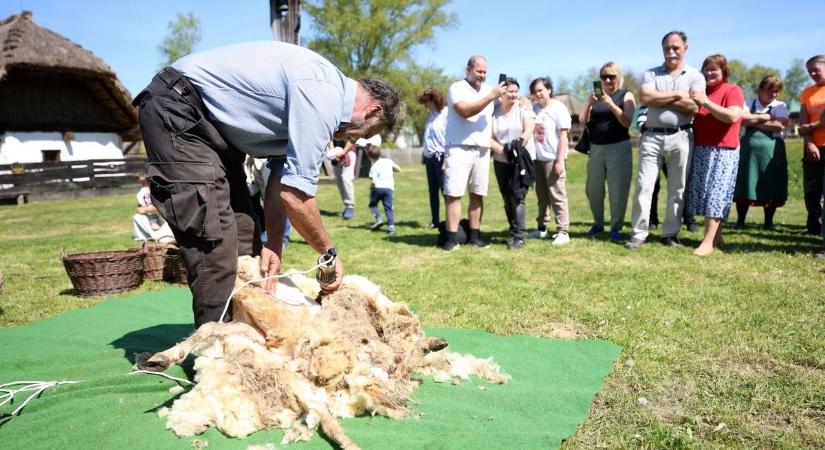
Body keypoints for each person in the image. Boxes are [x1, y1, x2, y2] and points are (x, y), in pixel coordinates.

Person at [133, 41, 400, 327]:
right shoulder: (323, 95)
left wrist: (274, 243)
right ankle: (219, 348)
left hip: (211, 129)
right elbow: (296, 195)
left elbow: (281, 178)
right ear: (372, 110)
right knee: (214, 239)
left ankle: (247, 329)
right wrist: (328, 253)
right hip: (180, 109)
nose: (357, 140)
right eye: (368, 132)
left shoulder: (324, 93)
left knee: (247, 235)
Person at [626, 31, 705, 250]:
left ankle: (670, 234)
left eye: (675, 47)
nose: (671, 52)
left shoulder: (696, 76)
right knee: (644, 186)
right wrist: (680, 95)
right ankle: (639, 233)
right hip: (651, 136)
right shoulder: (650, 73)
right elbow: (646, 98)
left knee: (677, 188)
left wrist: (662, 99)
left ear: (685, 48)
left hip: (682, 136)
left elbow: (695, 108)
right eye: (667, 48)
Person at [441, 55, 506, 251]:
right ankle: (452, 238)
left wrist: (523, 103)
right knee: (454, 194)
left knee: (478, 193)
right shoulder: (457, 88)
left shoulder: (490, 91)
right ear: (468, 70)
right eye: (479, 71)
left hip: (482, 149)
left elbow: (505, 109)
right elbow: (464, 111)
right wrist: (491, 97)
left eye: (485, 72)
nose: (483, 75)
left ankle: (475, 236)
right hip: (459, 147)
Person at [686, 54, 744, 256]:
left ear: (723, 72)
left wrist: (706, 103)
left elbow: (734, 116)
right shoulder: (699, 92)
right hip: (702, 149)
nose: (709, 73)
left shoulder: (732, 90)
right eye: (706, 69)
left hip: (724, 150)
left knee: (716, 195)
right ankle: (717, 236)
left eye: (714, 69)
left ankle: (707, 242)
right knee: (705, 193)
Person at [579, 62, 636, 242]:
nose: (608, 80)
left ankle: (616, 227)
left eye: (612, 76)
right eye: (604, 76)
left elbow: (627, 122)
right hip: (596, 148)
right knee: (593, 189)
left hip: (618, 147)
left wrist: (611, 104)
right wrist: (589, 104)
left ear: (618, 77)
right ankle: (598, 223)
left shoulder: (626, 95)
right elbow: (582, 120)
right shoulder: (595, 97)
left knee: (617, 190)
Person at [733, 75, 789, 230]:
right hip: (747, 152)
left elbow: (779, 125)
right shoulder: (748, 103)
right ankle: (740, 221)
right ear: (760, 90)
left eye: (776, 91)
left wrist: (754, 122)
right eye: (770, 91)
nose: (774, 94)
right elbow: (741, 119)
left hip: (772, 152)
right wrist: (766, 117)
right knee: (745, 183)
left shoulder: (780, 106)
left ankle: (768, 222)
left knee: (770, 184)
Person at [491, 78, 535, 250]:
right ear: (502, 92)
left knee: (518, 197)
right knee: (506, 197)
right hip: (501, 160)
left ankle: (519, 236)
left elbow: (529, 128)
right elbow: (488, 136)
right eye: (510, 91)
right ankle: (513, 229)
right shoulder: (493, 112)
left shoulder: (523, 107)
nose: (514, 95)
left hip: (521, 159)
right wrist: (503, 151)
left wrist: (518, 144)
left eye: (516, 91)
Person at [530, 77, 572, 246]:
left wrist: (559, 160)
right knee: (542, 196)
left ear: (549, 89)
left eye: (541, 90)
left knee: (557, 195)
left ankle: (563, 231)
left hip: (553, 158)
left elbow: (564, 136)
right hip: (537, 159)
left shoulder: (558, 108)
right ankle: (542, 228)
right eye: (535, 91)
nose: (538, 94)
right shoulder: (534, 109)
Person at [800, 55, 825, 238]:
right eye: (809, 71)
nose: (813, 73)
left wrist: (813, 126)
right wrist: (809, 143)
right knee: (811, 190)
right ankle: (813, 225)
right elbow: (803, 123)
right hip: (812, 147)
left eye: (816, 69)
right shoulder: (807, 92)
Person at [418, 88, 448, 229]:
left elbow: (449, 138)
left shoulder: (445, 114)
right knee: (433, 191)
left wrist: (446, 160)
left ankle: (451, 221)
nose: (425, 106)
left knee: (445, 190)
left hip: (441, 156)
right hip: (430, 158)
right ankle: (435, 221)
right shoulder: (431, 116)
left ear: (434, 100)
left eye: (427, 102)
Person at [365, 144, 401, 235]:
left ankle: (378, 219)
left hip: (377, 188)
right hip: (389, 188)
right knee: (388, 208)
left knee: (372, 205)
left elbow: (373, 181)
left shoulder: (373, 167)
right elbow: (398, 169)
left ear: (369, 157)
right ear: (380, 152)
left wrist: (371, 188)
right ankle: (391, 227)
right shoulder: (388, 161)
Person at [132, 175, 176, 244]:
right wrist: (147, 209)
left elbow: (164, 207)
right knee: (137, 217)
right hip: (152, 218)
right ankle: (151, 237)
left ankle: (163, 236)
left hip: (166, 219)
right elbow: (139, 209)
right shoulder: (142, 193)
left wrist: (148, 209)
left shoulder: (164, 190)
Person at [325, 140, 358, 220]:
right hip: (337, 153)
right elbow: (330, 139)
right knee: (339, 182)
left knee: (346, 179)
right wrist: (334, 153)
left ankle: (350, 206)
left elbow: (352, 139)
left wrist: (343, 152)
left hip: (349, 152)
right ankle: (346, 205)